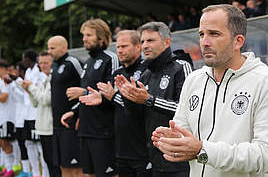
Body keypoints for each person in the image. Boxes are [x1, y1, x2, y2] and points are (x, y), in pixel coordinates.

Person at [151, 4, 268, 177]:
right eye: (201, 34)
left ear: (238, 41)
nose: (205, 42)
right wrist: (174, 141)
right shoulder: (194, 80)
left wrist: (203, 151)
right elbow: (186, 135)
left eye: (214, 34)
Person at [114, 22, 192, 177]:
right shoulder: (146, 75)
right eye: (143, 41)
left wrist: (149, 100)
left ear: (167, 42)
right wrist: (129, 98)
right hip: (154, 157)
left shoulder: (181, 67)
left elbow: (187, 110)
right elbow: (137, 118)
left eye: (150, 40)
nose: (145, 46)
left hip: (179, 158)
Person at [79, 30, 152, 177]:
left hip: (142, 148)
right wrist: (102, 99)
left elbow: (142, 105)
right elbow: (113, 104)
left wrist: (112, 97)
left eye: (124, 46)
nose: (120, 50)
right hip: (120, 147)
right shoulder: (118, 72)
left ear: (138, 47)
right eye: (118, 47)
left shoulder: (147, 70)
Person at [61, 18, 119, 177]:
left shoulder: (110, 59)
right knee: (90, 174)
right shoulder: (88, 62)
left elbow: (114, 94)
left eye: (88, 35)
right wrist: (75, 112)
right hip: (86, 130)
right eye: (83, 35)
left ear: (101, 37)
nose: (84, 39)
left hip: (104, 131)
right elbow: (86, 95)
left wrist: (84, 93)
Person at [47, 35, 83, 177]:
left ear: (63, 47)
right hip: (57, 124)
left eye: (52, 48)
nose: (49, 51)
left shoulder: (73, 63)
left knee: (76, 168)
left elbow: (87, 86)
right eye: (48, 47)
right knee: (63, 166)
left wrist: (79, 113)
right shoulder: (54, 66)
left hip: (71, 124)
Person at [22, 49, 48, 177]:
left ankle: (44, 173)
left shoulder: (40, 72)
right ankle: (35, 173)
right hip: (27, 113)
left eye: (24, 58)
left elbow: (38, 91)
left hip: (37, 114)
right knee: (28, 143)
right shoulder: (27, 71)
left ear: (29, 59)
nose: (23, 61)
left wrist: (29, 87)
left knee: (39, 145)